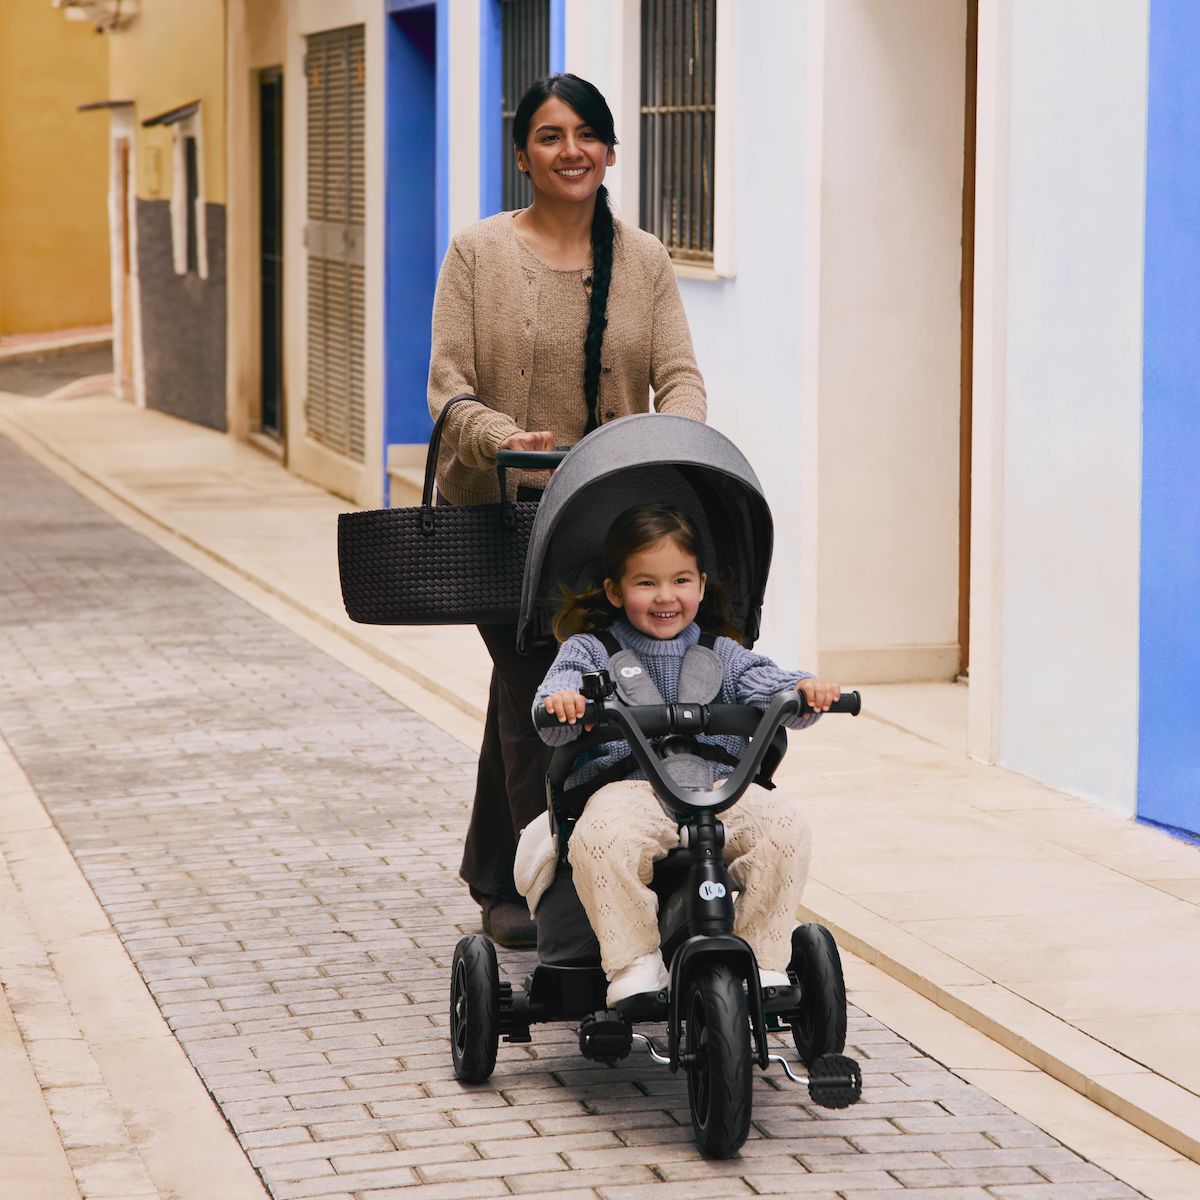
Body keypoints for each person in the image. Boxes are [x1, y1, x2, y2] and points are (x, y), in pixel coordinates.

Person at [427, 74, 707, 947]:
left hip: (609, 521)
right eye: (550, 136)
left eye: (587, 134)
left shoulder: (646, 259)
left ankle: (492, 867)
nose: (571, 149)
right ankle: (558, 889)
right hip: (499, 522)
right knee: (534, 685)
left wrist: (676, 443)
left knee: (535, 694)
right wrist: (511, 439)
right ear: (522, 156)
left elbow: (682, 376)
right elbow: (447, 387)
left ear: (611, 150)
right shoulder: (477, 253)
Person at [532, 504, 842, 1007]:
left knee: (785, 828)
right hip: (628, 788)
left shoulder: (724, 654)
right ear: (615, 591)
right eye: (646, 583)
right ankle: (634, 961)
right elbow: (559, 689)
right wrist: (564, 703)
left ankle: (762, 960)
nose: (665, 597)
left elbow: (770, 687)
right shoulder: (591, 651)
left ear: (700, 584)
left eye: (680, 580)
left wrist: (803, 690)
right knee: (600, 838)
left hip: (718, 788)